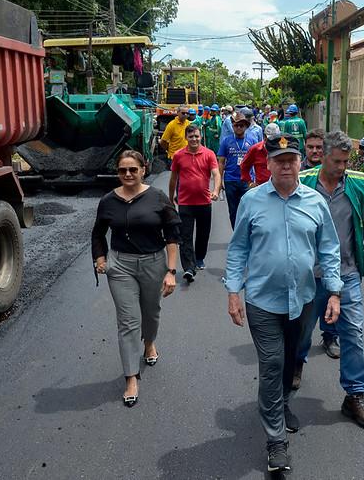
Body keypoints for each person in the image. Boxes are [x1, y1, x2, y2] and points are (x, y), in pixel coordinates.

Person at [225, 133, 343, 473]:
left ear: (300, 162)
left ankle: (280, 405)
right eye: (279, 159)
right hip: (262, 301)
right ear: (269, 164)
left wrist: (334, 292)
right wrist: (234, 292)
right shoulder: (251, 200)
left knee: (291, 362)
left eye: (292, 158)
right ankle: (276, 439)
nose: (287, 164)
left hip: (304, 300)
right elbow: (238, 249)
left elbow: (330, 250)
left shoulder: (314, 202)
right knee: (273, 364)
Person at [298, 130, 364, 430]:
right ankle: (296, 365)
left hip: (346, 274)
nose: (341, 167)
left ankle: (354, 396)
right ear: (323, 154)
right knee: (300, 331)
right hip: (308, 275)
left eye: (346, 161)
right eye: (336, 161)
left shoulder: (358, 184)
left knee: (354, 335)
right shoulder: (304, 180)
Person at [91, 151, 180, 407]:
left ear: (143, 169)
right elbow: (98, 233)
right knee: (128, 322)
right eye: (122, 170)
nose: (128, 174)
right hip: (120, 266)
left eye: (133, 169)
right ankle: (131, 377)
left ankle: (149, 343)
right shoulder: (108, 201)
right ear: (117, 173)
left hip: (153, 262)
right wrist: (100, 258)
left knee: (150, 313)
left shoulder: (157, 198)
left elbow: (172, 234)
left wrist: (171, 271)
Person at [169, 125, 221, 282]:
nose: (194, 139)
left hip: (204, 202)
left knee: (203, 234)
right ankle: (189, 268)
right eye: (191, 136)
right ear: (186, 138)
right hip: (185, 203)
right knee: (185, 236)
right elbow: (173, 179)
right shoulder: (178, 155)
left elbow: (216, 174)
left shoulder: (209, 154)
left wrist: (216, 190)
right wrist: (171, 198)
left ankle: (199, 258)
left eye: (197, 136)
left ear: (201, 137)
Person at [217, 113, 253, 229]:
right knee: (233, 211)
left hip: (247, 182)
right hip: (230, 180)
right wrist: (219, 181)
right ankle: (236, 235)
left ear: (245, 127)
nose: (238, 128)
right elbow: (221, 162)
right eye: (236, 125)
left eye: (241, 126)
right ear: (233, 126)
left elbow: (256, 161)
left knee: (247, 210)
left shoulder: (252, 141)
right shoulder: (226, 141)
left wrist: (255, 180)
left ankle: (246, 235)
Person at [240, 123, 280, 187]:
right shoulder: (255, 149)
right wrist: (250, 182)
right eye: (271, 139)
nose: (274, 142)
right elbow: (244, 166)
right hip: (261, 188)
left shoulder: (283, 149)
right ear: (264, 137)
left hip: (280, 187)